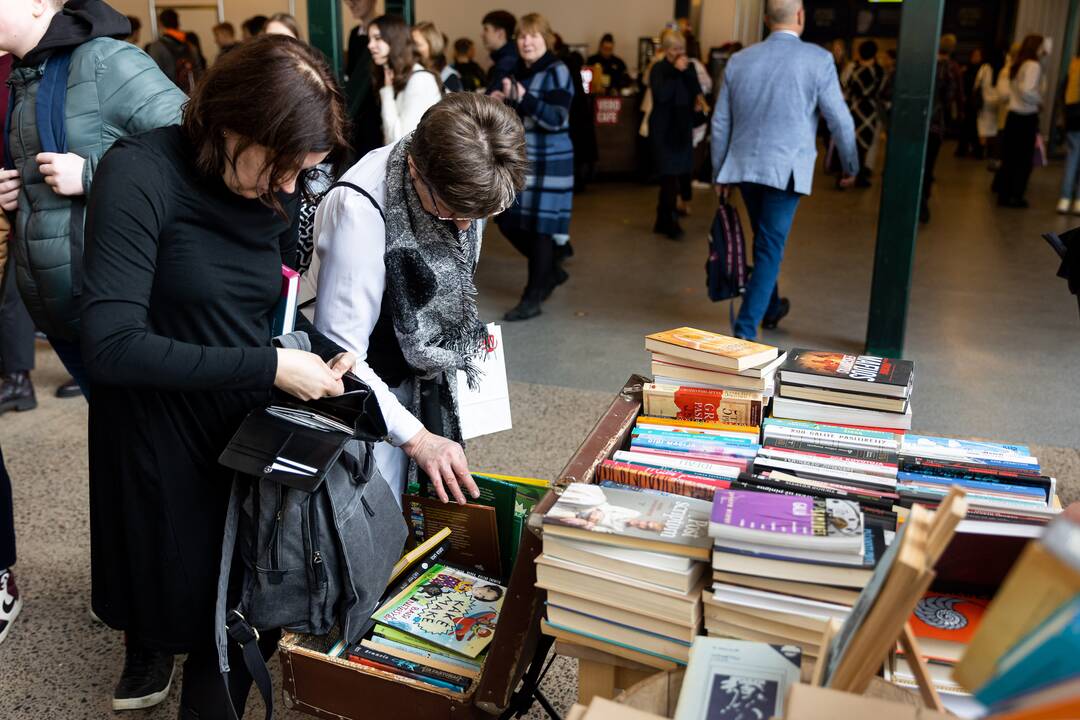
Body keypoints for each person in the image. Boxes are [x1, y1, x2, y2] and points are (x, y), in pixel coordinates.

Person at [81, 35, 352, 717]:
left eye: (303, 173)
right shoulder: (139, 174)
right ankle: (152, 643)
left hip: (240, 426)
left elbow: (256, 304)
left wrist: (309, 356)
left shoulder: (265, 183)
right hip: (160, 431)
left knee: (240, 614)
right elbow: (111, 346)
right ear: (233, 121)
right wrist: (270, 366)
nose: (289, 188)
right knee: (189, 596)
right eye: (283, 168)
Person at [314, 92, 526, 503]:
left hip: (416, 376)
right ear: (414, 168)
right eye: (450, 213)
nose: (464, 228)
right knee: (379, 511)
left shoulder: (464, 186)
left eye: (479, 216)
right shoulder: (360, 209)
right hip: (367, 389)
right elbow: (340, 356)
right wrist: (417, 438)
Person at [1, 0, 186, 408]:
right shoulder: (28, 76)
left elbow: (193, 151)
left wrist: (92, 175)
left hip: (121, 313)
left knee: (146, 445)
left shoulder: (106, 61)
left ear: (36, 5)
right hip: (66, 314)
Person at [711, 0, 857, 341]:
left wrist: (720, 173)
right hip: (785, 170)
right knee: (769, 247)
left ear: (765, 20)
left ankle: (772, 306)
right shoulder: (818, 60)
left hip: (744, 168)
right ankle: (745, 332)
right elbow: (840, 121)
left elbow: (720, 124)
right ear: (801, 16)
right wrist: (850, 166)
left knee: (763, 240)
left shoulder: (739, 60)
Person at [490, 13, 574, 322]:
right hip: (522, 159)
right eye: (522, 37)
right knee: (507, 219)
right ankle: (549, 271)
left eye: (533, 36)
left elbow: (557, 118)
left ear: (546, 39)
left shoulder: (557, 71)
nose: (526, 42)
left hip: (551, 158)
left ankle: (533, 296)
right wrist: (498, 99)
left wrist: (524, 98)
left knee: (541, 231)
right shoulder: (515, 70)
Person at [649, 30, 702, 239]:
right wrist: (675, 71)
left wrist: (698, 102)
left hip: (682, 126)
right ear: (665, 50)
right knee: (669, 175)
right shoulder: (659, 69)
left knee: (677, 174)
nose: (679, 53)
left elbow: (696, 90)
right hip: (663, 129)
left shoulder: (689, 68)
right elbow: (661, 96)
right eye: (675, 49)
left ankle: (661, 220)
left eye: (682, 48)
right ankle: (670, 221)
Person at [369, 14, 441, 146]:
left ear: (395, 40)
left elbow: (399, 141)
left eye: (377, 38)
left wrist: (387, 92)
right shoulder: (397, 77)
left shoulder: (420, 79)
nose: (370, 45)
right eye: (370, 39)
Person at [994, 34, 1045, 209]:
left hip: (1013, 116)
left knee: (1009, 158)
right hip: (1026, 118)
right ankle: (1016, 195)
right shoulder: (1033, 65)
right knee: (1022, 161)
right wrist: (1039, 101)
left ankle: (1004, 194)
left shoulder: (1019, 63)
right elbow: (1027, 90)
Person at [921, 34, 964, 223]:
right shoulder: (952, 69)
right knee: (928, 166)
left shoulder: (923, 64)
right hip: (936, 125)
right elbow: (953, 96)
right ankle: (922, 204)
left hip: (915, 123)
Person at [343, 0, 381, 161]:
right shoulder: (354, 34)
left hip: (377, 111)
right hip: (357, 112)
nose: (351, 4)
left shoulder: (384, 29)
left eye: (356, 0)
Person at [843, 40, 884, 188]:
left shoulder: (853, 68)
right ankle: (859, 177)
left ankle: (848, 174)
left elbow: (844, 86)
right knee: (865, 144)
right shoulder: (879, 71)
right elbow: (881, 92)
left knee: (851, 142)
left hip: (854, 110)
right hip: (870, 112)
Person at [146, 8, 198, 89]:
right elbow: (199, 72)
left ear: (160, 24)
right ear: (178, 23)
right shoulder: (190, 46)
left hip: (169, 95)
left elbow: (153, 76)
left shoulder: (156, 47)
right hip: (190, 95)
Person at [413, 21, 462, 92]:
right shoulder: (409, 72)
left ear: (432, 46)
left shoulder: (449, 76)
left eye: (417, 44)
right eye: (409, 44)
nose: (411, 49)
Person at [1059, 49, 1080, 214]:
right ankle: (1079, 201)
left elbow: (1063, 93)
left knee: (1072, 159)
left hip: (1073, 119)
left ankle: (1064, 200)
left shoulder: (1074, 66)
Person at [956, 48, 985, 159]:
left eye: (978, 56)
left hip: (975, 102)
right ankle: (963, 149)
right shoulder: (966, 69)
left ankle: (975, 150)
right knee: (966, 126)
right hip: (967, 101)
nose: (975, 58)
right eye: (974, 55)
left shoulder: (982, 70)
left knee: (974, 126)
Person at [482, 9, 518, 93]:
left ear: (500, 33)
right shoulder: (506, 57)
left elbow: (490, 101)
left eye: (486, 29)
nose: (482, 34)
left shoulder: (507, 62)